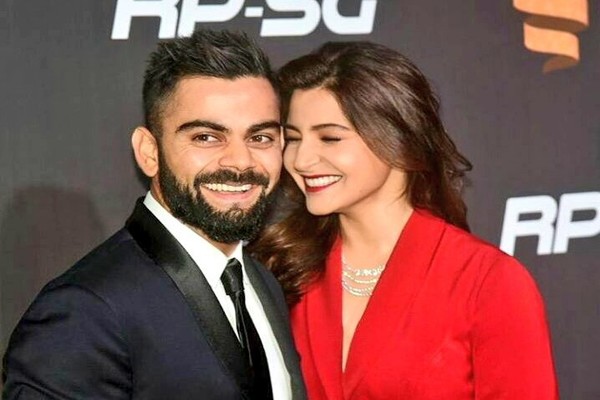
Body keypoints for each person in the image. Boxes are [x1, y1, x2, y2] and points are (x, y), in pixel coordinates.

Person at [2, 29, 306, 400]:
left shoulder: (261, 281)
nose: (241, 162)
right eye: (206, 137)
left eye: (260, 138)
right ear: (149, 152)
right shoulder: (84, 310)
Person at [249, 41, 559, 399]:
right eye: (293, 138)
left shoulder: (487, 281)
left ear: (398, 138)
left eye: (330, 138)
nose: (301, 160)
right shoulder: (282, 266)